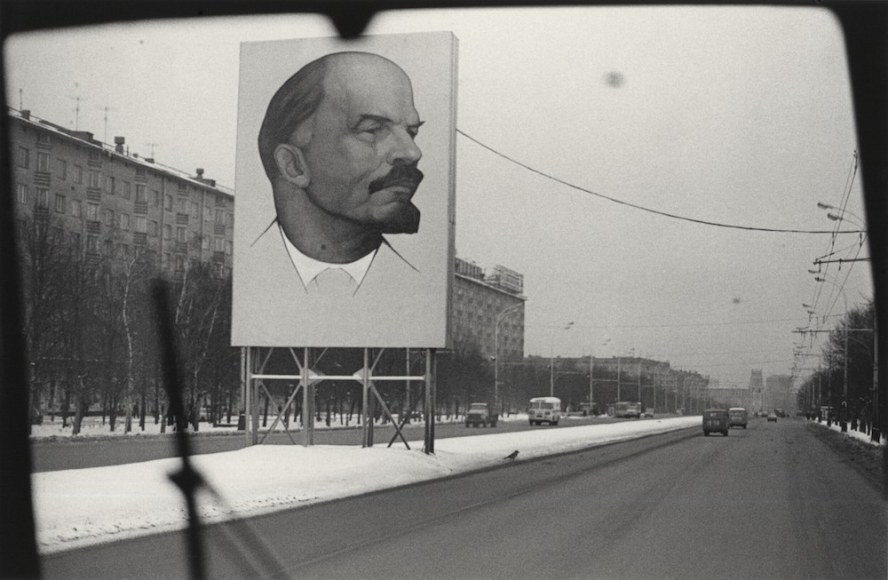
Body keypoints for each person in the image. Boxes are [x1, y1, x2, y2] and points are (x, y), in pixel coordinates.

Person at [253, 50, 425, 295]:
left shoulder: (418, 287)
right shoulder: (242, 280)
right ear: (293, 165)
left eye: (411, 132)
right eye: (373, 129)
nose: (412, 152)